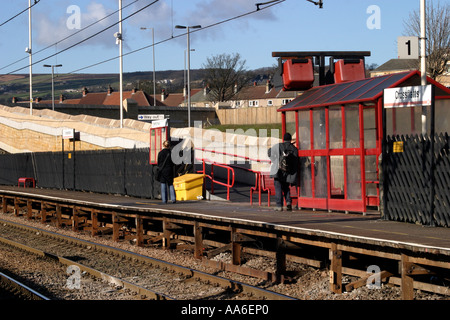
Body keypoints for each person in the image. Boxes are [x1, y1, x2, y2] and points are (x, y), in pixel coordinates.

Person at [268, 132, 298, 211]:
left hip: (277, 171)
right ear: (290, 139)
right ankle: (288, 202)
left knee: (278, 187)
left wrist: (274, 160)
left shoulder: (278, 146)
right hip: (287, 171)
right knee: (286, 187)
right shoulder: (294, 149)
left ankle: (279, 205)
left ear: (283, 139)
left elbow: (269, 152)